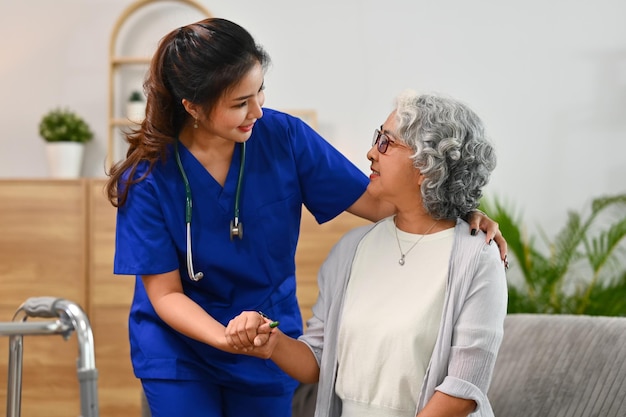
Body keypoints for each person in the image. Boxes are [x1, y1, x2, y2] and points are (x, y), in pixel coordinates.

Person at [104, 17, 506, 417]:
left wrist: (459, 208)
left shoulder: (285, 138)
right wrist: (226, 338)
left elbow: (381, 202)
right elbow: (166, 294)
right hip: (181, 350)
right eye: (240, 103)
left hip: (266, 338)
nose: (257, 112)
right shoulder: (149, 175)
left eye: (259, 92)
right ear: (192, 106)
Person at [226, 91, 508, 417]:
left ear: (426, 165)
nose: (371, 152)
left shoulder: (477, 260)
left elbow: (462, 393)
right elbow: (318, 360)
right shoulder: (351, 249)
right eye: (378, 139)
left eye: (386, 142)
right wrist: (271, 341)